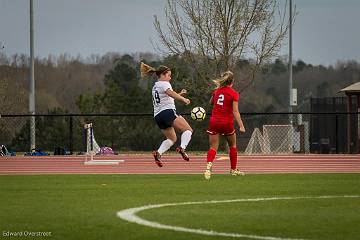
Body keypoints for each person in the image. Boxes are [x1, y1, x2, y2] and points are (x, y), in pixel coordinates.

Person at [140, 62, 193, 167]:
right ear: (163, 75)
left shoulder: (155, 86)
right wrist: (183, 99)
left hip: (158, 116)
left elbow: (167, 97)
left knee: (172, 139)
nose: (170, 77)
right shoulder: (165, 84)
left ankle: (158, 153)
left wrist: (179, 94)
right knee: (188, 130)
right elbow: (169, 93)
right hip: (167, 112)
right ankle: (182, 148)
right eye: (169, 75)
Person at [204, 71, 246, 179]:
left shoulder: (217, 91)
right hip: (226, 123)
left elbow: (211, 103)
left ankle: (208, 167)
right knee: (232, 145)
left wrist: (216, 91)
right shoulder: (234, 93)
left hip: (214, 121)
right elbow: (235, 111)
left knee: (213, 147)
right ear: (232, 81)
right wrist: (241, 125)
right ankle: (233, 170)